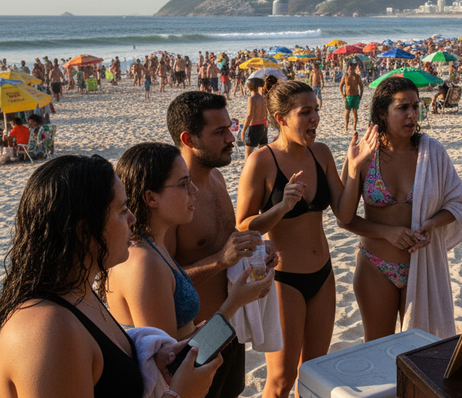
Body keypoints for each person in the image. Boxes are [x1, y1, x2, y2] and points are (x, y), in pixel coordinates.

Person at [0, 155, 221, 398]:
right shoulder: (48, 330)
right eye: (123, 209)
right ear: (85, 232)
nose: (132, 218)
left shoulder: (78, 294)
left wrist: (146, 357)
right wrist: (180, 395)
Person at [234, 80, 377, 398]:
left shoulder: (321, 153)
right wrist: (283, 206)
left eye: (317, 111)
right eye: (305, 112)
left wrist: (354, 169)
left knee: (314, 373)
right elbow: (242, 228)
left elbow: (343, 214)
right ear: (281, 119)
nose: (315, 118)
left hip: (323, 276)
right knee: (282, 379)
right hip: (284, 281)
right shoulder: (261, 162)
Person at [337, 77, 462, 341]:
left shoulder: (431, 152)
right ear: (381, 113)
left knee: (421, 352)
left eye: (416, 106)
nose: (412, 114)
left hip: (422, 266)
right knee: (378, 349)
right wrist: (386, 232)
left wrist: (433, 223)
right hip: (375, 266)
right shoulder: (365, 156)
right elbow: (344, 219)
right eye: (402, 107)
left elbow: (458, 204)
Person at [167, 91, 277, 398]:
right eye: (220, 132)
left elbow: (229, 244)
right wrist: (220, 260)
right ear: (188, 139)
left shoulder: (217, 178)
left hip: (230, 325)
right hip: (196, 336)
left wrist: (256, 253)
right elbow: (159, 282)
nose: (232, 137)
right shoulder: (173, 199)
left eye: (231, 127)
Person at [107, 142, 275, 340]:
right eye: (183, 184)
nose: (194, 190)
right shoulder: (144, 262)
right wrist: (234, 303)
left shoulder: (152, 246)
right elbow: (170, 363)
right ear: (151, 198)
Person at [243, 78, 268, 158]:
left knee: (248, 152)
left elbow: (249, 115)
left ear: (250, 87)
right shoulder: (262, 98)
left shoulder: (251, 99)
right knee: (263, 150)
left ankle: (248, 170)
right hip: (262, 125)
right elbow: (265, 113)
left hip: (253, 126)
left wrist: (243, 130)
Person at [339, 62, 364, 132]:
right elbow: (341, 86)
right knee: (347, 111)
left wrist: (360, 96)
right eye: (349, 68)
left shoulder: (357, 76)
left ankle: (354, 127)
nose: (350, 70)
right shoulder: (345, 76)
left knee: (355, 112)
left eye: (352, 68)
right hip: (348, 96)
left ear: (354, 69)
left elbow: (361, 86)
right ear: (348, 68)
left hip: (355, 96)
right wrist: (343, 95)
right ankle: (346, 126)